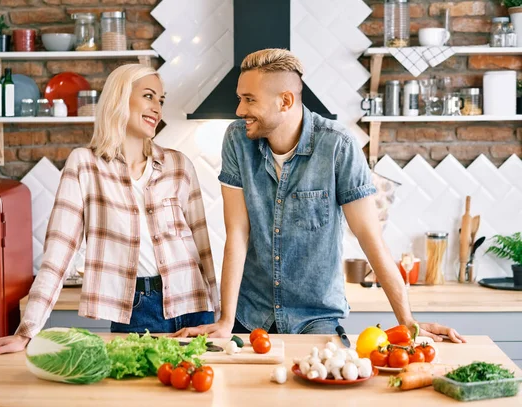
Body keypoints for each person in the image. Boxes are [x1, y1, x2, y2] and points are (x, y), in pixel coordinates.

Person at [173, 49, 464, 343]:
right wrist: (225, 320)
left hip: (316, 317)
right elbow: (237, 234)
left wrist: (407, 321)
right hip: (251, 315)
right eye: (240, 98)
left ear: (285, 100)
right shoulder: (237, 140)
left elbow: (369, 237)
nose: (239, 110)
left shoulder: (338, 146)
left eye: (249, 99)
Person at [0, 64, 220, 358]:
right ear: (120, 97)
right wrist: (27, 331)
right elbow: (58, 254)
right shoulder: (85, 164)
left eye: (161, 100)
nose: (157, 108)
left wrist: (221, 317)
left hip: (195, 306)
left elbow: (202, 248)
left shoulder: (179, 165)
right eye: (148, 96)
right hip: (137, 310)